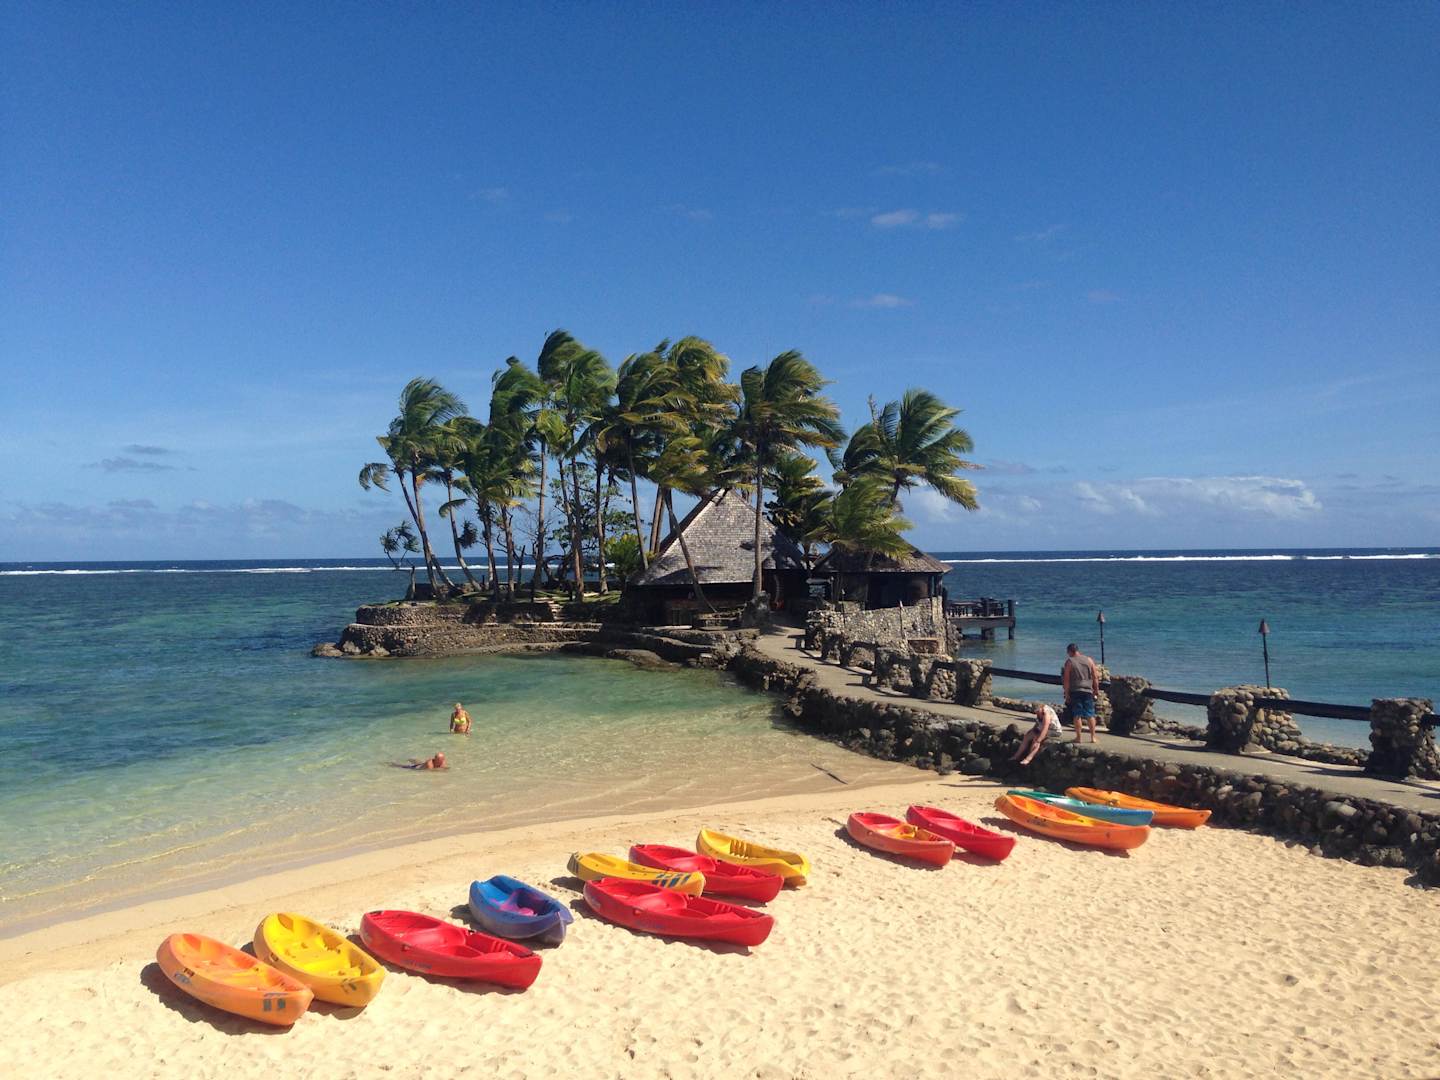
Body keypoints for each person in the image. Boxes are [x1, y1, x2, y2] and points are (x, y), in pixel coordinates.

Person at [1062, 642, 1101, 743]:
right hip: (1088, 689)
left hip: (1075, 690)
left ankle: (1079, 737)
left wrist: (1066, 693)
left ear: (1069, 651)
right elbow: (1095, 676)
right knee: (1090, 714)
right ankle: (1093, 737)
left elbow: (1066, 679)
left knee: (1077, 714)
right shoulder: (1089, 660)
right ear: (1077, 650)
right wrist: (1096, 690)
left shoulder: (1069, 662)